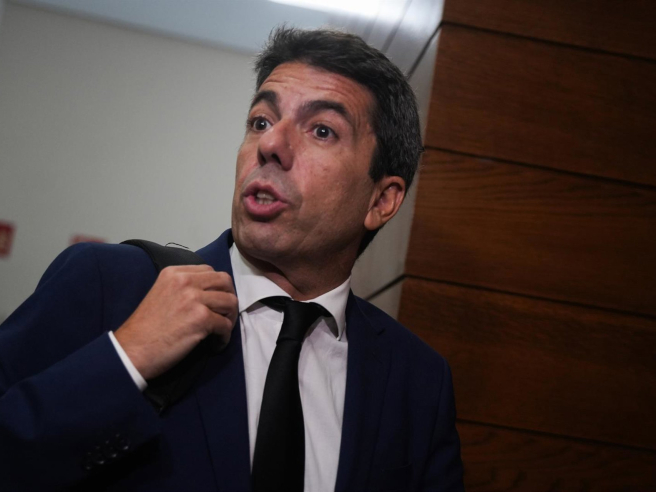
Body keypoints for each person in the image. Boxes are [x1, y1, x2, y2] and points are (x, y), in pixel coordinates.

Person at [0, 27, 463, 491]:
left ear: (381, 200)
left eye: (322, 131)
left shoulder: (418, 382)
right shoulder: (110, 284)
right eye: (261, 121)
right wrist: (125, 358)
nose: (271, 144)